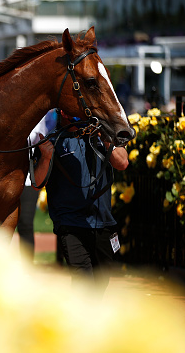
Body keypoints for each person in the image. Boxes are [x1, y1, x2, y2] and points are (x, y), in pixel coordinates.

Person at [33, 109, 129, 296]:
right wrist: (45, 158)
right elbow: (37, 183)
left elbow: (122, 163)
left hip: (103, 222)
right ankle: (83, 322)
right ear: (62, 112)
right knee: (83, 282)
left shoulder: (102, 134)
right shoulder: (53, 140)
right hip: (71, 224)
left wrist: (105, 136)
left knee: (100, 284)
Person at [17, 109, 57, 263]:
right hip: (5, 176)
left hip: (28, 176)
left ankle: (27, 268)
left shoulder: (39, 115)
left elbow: (40, 138)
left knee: (25, 223)